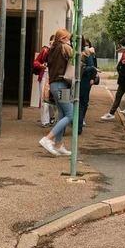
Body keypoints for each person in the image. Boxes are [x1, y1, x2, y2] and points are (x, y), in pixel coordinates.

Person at [38, 28, 73, 156]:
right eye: (68, 38)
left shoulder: (52, 49)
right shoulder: (64, 47)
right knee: (70, 114)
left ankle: (58, 144)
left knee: (62, 114)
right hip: (61, 85)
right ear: (63, 39)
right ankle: (48, 139)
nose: (69, 41)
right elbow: (76, 56)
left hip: (55, 85)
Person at [100, 38, 125, 121]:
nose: (121, 46)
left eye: (123, 45)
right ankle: (111, 113)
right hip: (122, 78)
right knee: (118, 95)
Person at [33, 35, 55, 127]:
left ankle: (52, 117)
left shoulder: (59, 51)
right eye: (51, 40)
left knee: (53, 100)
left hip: (54, 78)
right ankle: (45, 121)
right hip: (44, 76)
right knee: (44, 99)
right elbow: (35, 62)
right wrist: (41, 65)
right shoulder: (45, 50)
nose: (52, 42)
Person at [78, 37, 98, 132]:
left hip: (85, 81)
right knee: (81, 103)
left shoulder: (88, 54)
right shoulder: (75, 52)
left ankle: (79, 123)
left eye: (87, 45)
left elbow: (92, 67)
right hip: (80, 81)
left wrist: (92, 78)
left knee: (83, 102)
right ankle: (78, 122)